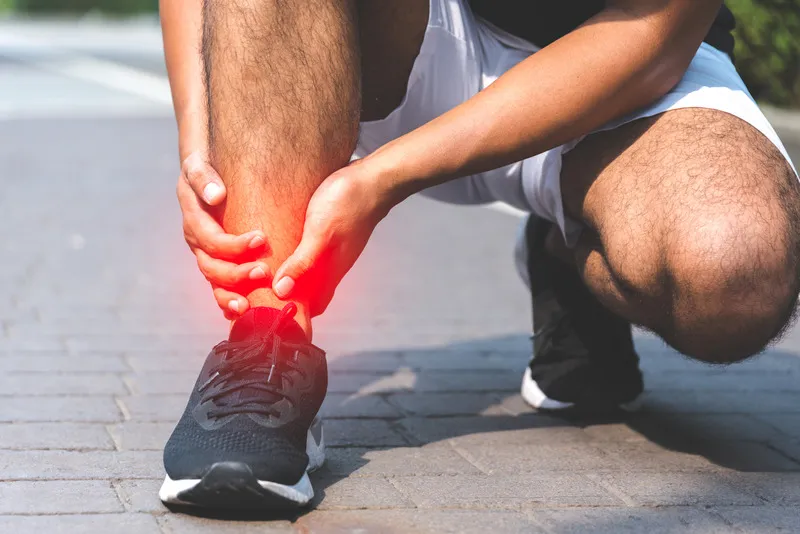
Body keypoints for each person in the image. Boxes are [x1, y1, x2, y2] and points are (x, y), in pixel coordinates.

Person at [157, 0, 800, 510]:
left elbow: (657, 35)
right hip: (399, 41)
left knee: (737, 273)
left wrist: (383, 179)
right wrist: (201, 147)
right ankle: (267, 343)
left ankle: (569, 248)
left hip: (624, 74)